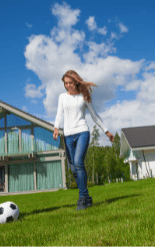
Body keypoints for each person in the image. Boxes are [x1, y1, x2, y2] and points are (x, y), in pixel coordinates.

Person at [53, 70, 114, 210]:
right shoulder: (62, 97)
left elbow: (94, 115)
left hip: (82, 132)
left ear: (76, 82)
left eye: (70, 83)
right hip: (67, 135)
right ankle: (87, 198)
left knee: (79, 163)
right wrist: (56, 127)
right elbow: (59, 114)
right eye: (66, 83)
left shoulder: (84, 96)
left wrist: (106, 131)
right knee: (73, 168)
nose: (68, 85)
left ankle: (82, 199)